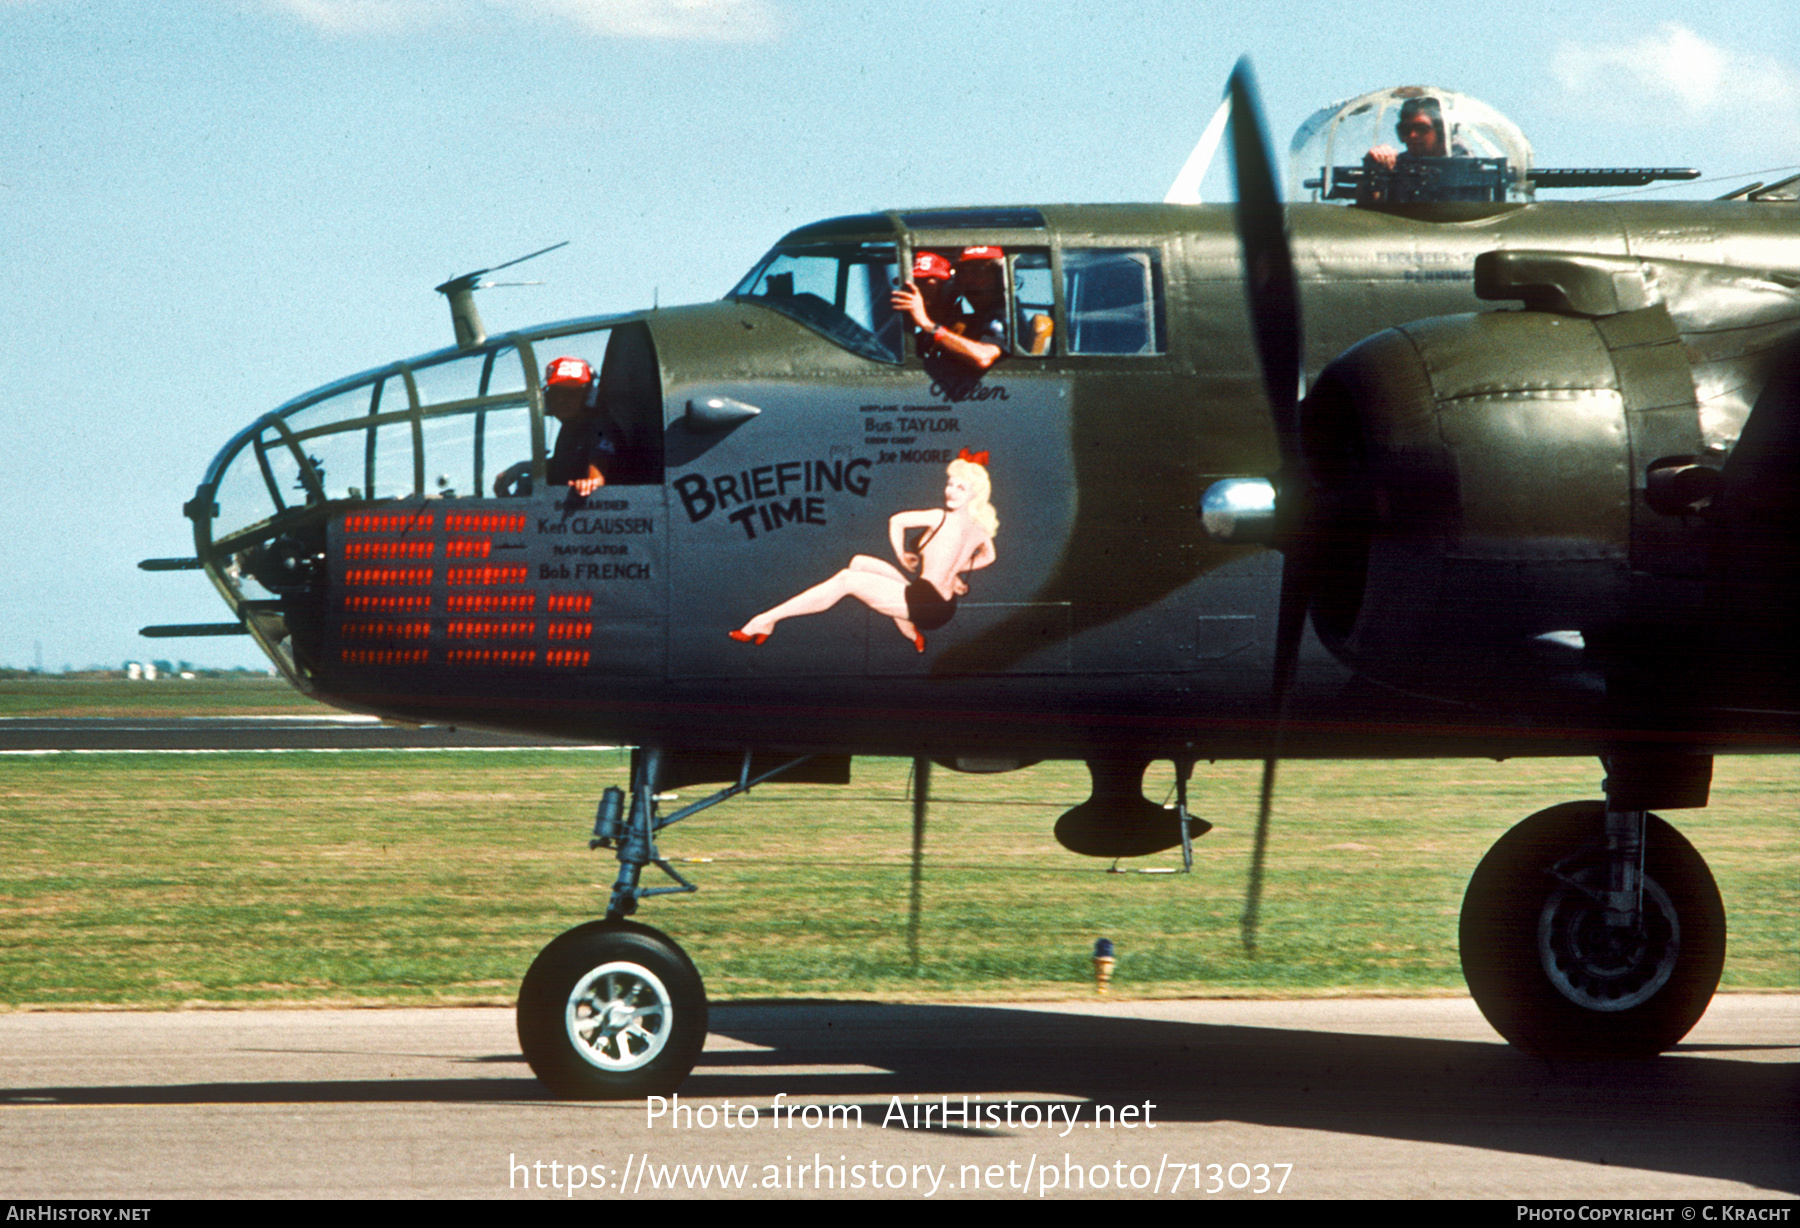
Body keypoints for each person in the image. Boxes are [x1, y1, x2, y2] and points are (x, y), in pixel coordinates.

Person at [730, 451, 998, 653]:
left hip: (923, 604)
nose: (950, 491)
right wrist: (960, 568)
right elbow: (990, 556)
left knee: (847, 579)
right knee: (859, 562)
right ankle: (912, 633)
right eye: (950, 484)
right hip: (941, 606)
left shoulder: (938, 517)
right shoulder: (979, 529)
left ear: (975, 494)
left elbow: (897, 521)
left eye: (960, 487)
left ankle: (764, 621)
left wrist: (903, 555)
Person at [890, 248, 1007, 371]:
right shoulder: (917, 338)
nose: (917, 291)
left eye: (927, 284)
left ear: (949, 288)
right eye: (914, 284)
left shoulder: (971, 329)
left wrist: (927, 324)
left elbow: (983, 357)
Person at [542, 355, 616, 497]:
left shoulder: (600, 425)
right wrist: (523, 467)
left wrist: (591, 481)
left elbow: (599, 468)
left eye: (571, 393)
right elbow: (564, 463)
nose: (561, 399)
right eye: (556, 392)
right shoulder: (570, 427)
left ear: (589, 395)